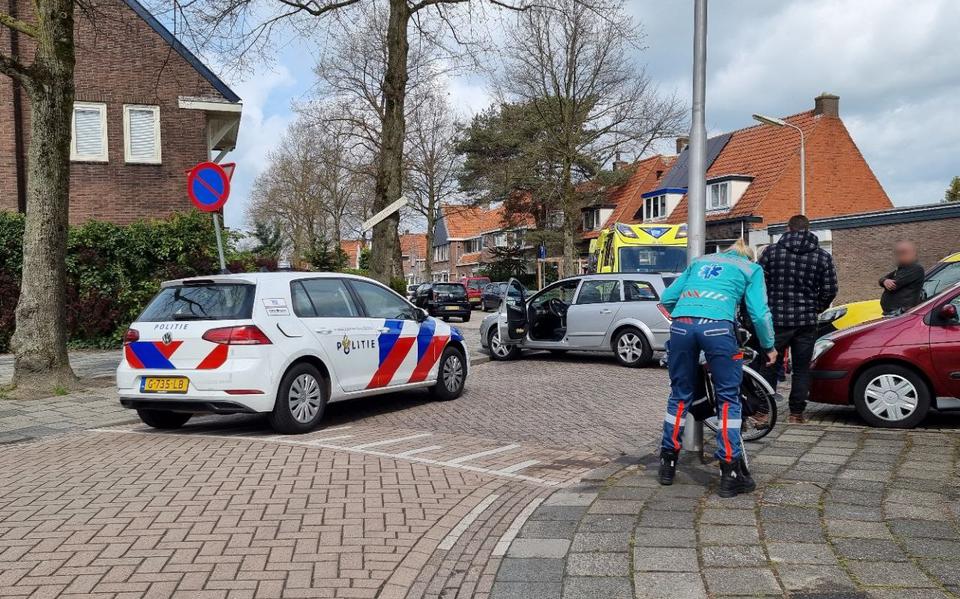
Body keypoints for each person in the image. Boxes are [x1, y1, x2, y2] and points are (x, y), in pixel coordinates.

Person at [658, 239, 777, 498]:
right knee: (728, 399)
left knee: (679, 395)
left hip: (681, 326)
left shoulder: (699, 261)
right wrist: (769, 346)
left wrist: (688, 315)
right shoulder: (751, 269)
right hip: (718, 328)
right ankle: (730, 474)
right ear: (749, 256)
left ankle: (667, 464)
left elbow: (667, 298)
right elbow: (759, 314)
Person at [758, 215, 837, 424]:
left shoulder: (771, 252)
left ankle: (763, 412)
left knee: (770, 364)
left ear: (788, 228)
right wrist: (816, 308)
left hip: (776, 319)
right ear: (808, 229)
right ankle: (796, 414)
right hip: (806, 321)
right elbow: (830, 289)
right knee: (801, 369)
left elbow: (758, 283)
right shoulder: (822, 256)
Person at [879, 241, 925, 314]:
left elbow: (894, 284)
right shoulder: (902, 268)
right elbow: (882, 279)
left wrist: (886, 281)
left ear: (913, 253)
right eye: (898, 253)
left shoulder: (916, 268)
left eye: (903, 252)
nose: (900, 256)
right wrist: (884, 281)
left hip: (901, 313)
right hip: (893, 313)